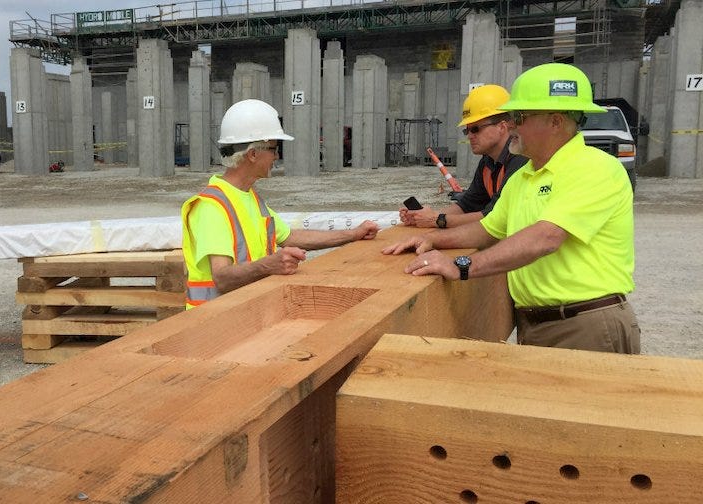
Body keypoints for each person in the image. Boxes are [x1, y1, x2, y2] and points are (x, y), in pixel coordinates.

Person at [382, 63, 640, 354]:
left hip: (585, 325)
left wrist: (461, 266)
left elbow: (546, 238)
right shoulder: (523, 177)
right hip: (534, 324)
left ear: (555, 122)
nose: (511, 125)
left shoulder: (595, 169)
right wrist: (431, 239)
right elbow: (486, 230)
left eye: (519, 116)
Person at [182, 99, 379, 309]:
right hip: (212, 325)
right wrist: (268, 265)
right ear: (253, 154)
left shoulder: (248, 197)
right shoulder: (212, 206)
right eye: (274, 149)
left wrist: (353, 234)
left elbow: (290, 237)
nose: (276, 156)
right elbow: (222, 278)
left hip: (243, 313)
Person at [401, 85, 527, 229]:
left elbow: (493, 216)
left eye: (475, 129)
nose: (470, 136)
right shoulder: (488, 161)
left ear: (502, 127)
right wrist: (425, 217)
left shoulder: (520, 160)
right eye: (467, 130)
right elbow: (467, 205)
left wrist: (438, 220)